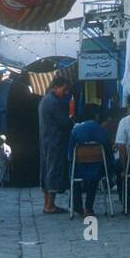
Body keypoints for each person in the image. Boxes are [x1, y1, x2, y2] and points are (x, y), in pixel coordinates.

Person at [68, 106, 113, 217]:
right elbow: (108, 153)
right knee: (96, 174)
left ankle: (77, 206)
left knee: (73, 173)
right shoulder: (102, 131)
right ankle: (89, 207)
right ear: (96, 117)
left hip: (79, 169)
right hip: (97, 170)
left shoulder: (75, 131)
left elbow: (70, 155)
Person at [39, 75, 72, 214]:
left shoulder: (45, 100)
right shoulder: (53, 102)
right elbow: (64, 122)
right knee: (53, 171)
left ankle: (47, 204)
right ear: (56, 87)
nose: (65, 93)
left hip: (47, 141)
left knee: (47, 171)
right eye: (64, 89)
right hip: (54, 141)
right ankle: (50, 205)